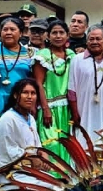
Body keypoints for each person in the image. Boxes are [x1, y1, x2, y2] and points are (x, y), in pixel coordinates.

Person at [32, 19, 75, 158]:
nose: (58, 36)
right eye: (54, 33)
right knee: (51, 142)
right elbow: (38, 83)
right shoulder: (42, 56)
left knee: (68, 143)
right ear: (48, 36)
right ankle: (51, 177)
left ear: (67, 35)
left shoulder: (72, 55)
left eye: (61, 32)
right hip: (49, 104)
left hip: (67, 107)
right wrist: (45, 109)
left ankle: (67, 178)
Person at [0, 78, 42, 175]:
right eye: (25, 92)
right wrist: (31, 158)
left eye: (33, 93)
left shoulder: (31, 119)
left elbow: (37, 145)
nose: (30, 97)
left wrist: (42, 156)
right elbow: (8, 149)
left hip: (29, 168)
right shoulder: (7, 119)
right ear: (15, 95)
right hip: (10, 172)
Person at [0, 17, 39, 113]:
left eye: (12, 29)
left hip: (22, 99)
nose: (8, 32)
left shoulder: (31, 53)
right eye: (5, 29)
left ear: (20, 33)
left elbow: (35, 79)